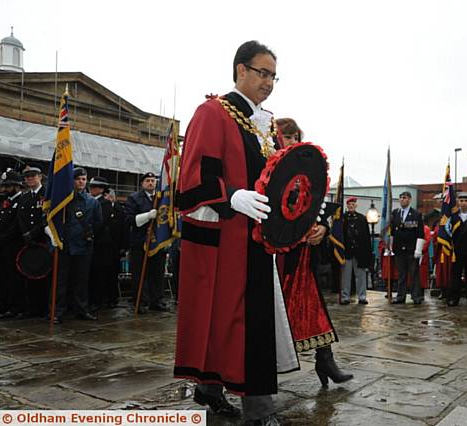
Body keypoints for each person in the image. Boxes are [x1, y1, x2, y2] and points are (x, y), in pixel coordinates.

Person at [174, 41, 294, 425]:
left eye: (274, 75)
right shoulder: (212, 112)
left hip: (258, 241)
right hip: (227, 241)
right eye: (263, 72)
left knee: (246, 323)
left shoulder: (266, 125)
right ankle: (258, 412)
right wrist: (232, 197)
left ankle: (211, 391)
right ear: (240, 70)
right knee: (232, 321)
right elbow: (194, 179)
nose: (270, 82)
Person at [274, 117, 353, 387]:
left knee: (311, 304)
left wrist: (323, 227)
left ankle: (325, 359)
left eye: (295, 137)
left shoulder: (306, 173)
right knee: (274, 311)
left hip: (302, 255)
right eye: (286, 136)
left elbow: (318, 208)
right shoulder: (265, 169)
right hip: (273, 254)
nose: (292, 142)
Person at [47, 167, 102, 323]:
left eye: (84, 179)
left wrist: (88, 234)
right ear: (71, 180)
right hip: (64, 245)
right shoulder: (62, 201)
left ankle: (81, 309)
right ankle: (57, 311)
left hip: (83, 246)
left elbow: (98, 223)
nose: (81, 182)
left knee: (81, 281)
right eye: (78, 179)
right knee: (60, 281)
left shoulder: (92, 202)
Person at [124, 172, 168, 314]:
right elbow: (129, 219)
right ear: (142, 183)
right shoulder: (134, 198)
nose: (151, 183)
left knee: (157, 273)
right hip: (140, 242)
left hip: (158, 242)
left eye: (153, 180)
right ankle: (141, 302)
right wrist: (148, 216)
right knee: (139, 274)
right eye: (148, 181)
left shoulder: (161, 198)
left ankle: (157, 300)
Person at [17, 166, 49, 317]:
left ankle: (43, 308)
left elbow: (48, 218)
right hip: (28, 242)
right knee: (29, 274)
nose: (30, 179)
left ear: (40, 177)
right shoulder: (24, 197)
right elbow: (21, 218)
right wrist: (25, 234)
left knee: (44, 276)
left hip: (42, 240)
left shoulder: (47, 195)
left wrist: (33, 233)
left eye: (33, 176)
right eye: (27, 177)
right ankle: (32, 308)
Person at [88, 177, 124, 310]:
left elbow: (100, 223)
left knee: (99, 275)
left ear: (102, 189)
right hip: (93, 244)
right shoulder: (90, 201)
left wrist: (89, 233)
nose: (91, 189)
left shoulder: (105, 204)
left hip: (101, 245)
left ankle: (97, 301)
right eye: (91, 187)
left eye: (94, 187)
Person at [0, 170, 26, 319]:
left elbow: (15, 226)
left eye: (8, 186)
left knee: (13, 279)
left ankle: (15, 306)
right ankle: (4, 304)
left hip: (13, 246)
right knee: (2, 277)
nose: (5, 189)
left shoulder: (21, 201)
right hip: (3, 247)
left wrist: (1, 239)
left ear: (16, 186)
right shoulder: (7, 201)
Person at [390, 191, 425, 304]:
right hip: (399, 248)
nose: (402, 200)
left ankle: (416, 297)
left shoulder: (416, 214)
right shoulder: (395, 213)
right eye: (400, 198)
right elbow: (392, 232)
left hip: (411, 248)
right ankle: (401, 296)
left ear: (409, 199)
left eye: (404, 198)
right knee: (401, 274)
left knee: (414, 274)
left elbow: (420, 233)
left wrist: (418, 249)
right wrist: (390, 246)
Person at [340, 197, 372, 304]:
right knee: (346, 276)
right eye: (349, 204)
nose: (351, 206)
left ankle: (362, 296)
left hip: (359, 251)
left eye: (353, 204)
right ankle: (345, 296)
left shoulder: (362, 219)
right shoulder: (342, 219)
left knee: (361, 275)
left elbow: (366, 237)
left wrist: (367, 253)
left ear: (356, 205)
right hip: (347, 251)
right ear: (347, 206)